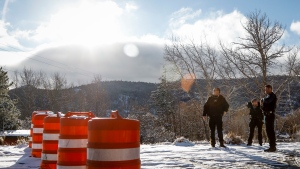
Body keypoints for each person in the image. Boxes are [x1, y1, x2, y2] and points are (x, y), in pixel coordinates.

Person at [261, 84, 277, 152]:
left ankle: (272, 146)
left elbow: (267, 101)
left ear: (270, 89)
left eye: (267, 89)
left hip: (270, 115)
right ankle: (272, 145)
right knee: (268, 131)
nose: (266, 91)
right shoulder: (268, 96)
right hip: (266, 115)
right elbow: (263, 106)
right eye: (265, 89)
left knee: (270, 131)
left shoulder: (272, 96)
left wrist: (263, 100)